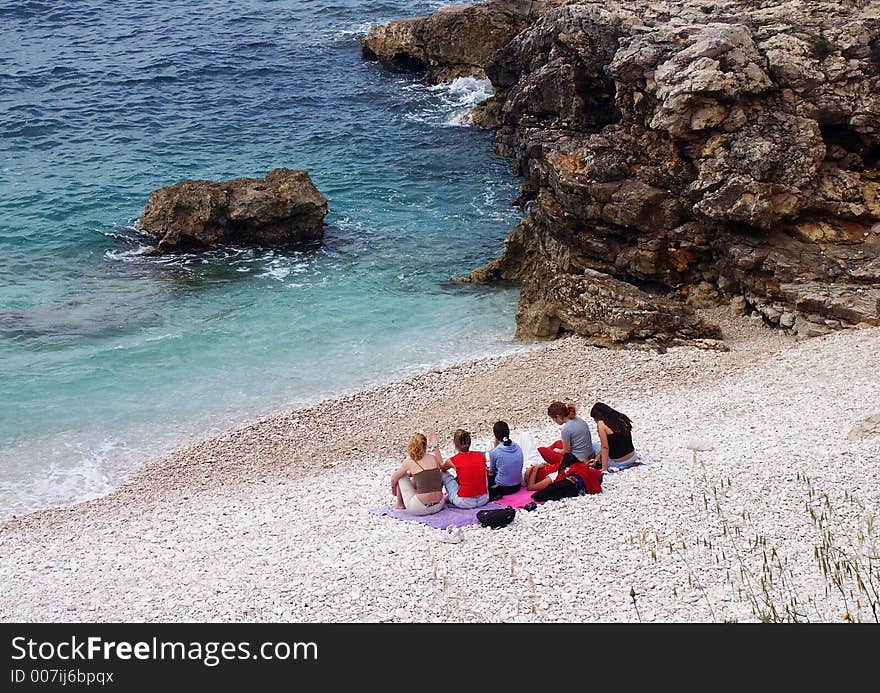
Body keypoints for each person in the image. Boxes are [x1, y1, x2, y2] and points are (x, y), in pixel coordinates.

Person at [525, 401, 594, 490]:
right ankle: (547, 452)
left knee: (541, 450)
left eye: (553, 419)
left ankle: (536, 458)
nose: (554, 421)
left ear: (557, 417)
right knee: (558, 443)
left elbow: (566, 452)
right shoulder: (579, 420)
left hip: (577, 460)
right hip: (588, 454)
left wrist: (557, 451)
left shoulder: (566, 429)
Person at [390, 431, 445, 516]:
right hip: (439, 505)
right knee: (419, 476)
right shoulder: (433, 458)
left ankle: (399, 504)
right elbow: (439, 467)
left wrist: (394, 490)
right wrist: (435, 444)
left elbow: (394, 478)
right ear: (425, 446)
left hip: (419, 509)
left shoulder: (409, 462)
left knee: (402, 476)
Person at [439, 429, 490, 509]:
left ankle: (438, 499)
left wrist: (435, 447)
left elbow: (442, 467)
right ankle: (450, 497)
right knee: (481, 471)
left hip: (465, 502)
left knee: (443, 474)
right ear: (469, 443)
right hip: (484, 499)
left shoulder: (453, 460)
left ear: (455, 445)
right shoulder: (481, 455)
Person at [588, 402, 638, 472]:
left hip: (618, 462)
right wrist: (597, 458)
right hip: (632, 457)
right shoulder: (620, 417)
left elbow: (605, 447)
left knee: (594, 446)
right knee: (602, 447)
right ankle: (596, 460)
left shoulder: (601, 424)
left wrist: (604, 468)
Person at [487, 421, 523, 500]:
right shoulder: (517, 446)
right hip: (517, 485)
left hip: (503, 488)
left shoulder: (494, 452)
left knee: (487, 474)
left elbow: (492, 471)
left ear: (495, 435)